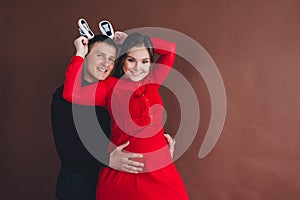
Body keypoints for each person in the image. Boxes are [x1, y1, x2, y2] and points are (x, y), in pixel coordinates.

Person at [63, 32, 188, 199]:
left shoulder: (153, 79)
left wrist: (129, 39)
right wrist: (80, 53)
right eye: (131, 60)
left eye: (145, 61)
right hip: (126, 173)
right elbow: (70, 93)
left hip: (162, 173)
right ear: (122, 61)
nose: (138, 68)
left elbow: (170, 49)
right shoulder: (110, 88)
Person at [51, 34, 145, 200]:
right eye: (100, 55)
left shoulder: (114, 91)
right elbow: (67, 152)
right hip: (77, 184)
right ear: (86, 58)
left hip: (111, 181)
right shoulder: (63, 96)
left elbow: (136, 119)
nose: (106, 63)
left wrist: (163, 137)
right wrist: (108, 159)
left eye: (111, 59)